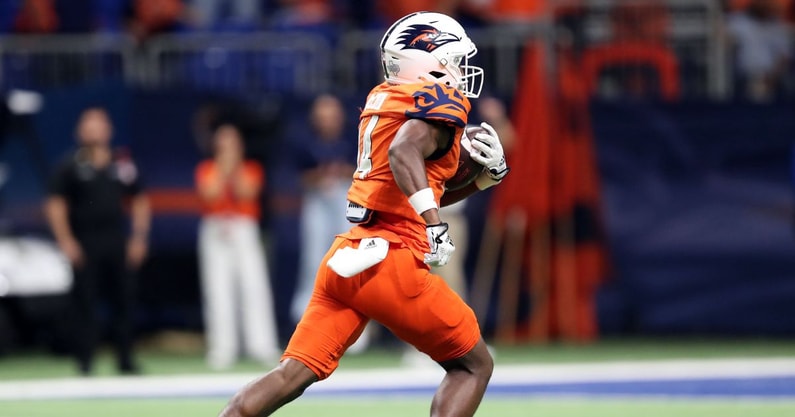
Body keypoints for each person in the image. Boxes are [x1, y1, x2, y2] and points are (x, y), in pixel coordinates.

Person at [218, 11, 510, 417]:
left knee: (290, 375)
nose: (460, 69)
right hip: (392, 261)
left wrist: (482, 181)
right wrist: (434, 226)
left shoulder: (383, 98)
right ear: (430, 60)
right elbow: (403, 151)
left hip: (349, 258)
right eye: (454, 59)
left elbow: (415, 185)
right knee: (473, 365)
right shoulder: (440, 100)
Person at [44, 107, 150, 375]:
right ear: (79, 131)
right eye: (88, 124)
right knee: (85, 303)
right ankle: (85, 361)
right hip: (85, 242)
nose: (94, 129)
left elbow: (139, 200)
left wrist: (138, 237)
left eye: (99, 124)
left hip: (117, 240)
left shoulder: (122, 163)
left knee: (124, 301)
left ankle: (125, 360)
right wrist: (66, 241)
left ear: (109, 130)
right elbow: (55, 205)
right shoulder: (70, 165)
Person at [195, 124, 280, 370]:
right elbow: (209, 194)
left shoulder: (252, 169)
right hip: (215, 229)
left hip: (244, 228)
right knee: (217, 288)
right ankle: (222, 348)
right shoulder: (207, 169)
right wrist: (224, 167)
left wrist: (234, 167)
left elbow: (247, 192)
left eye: (231, 143)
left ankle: (260, 345)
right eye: (223, 144)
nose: (227, 149)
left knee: (254, 286)